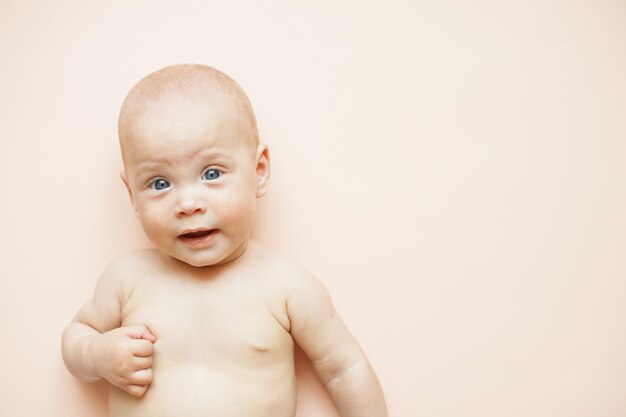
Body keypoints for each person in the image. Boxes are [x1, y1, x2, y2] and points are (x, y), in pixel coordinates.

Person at [61, 64, 388, 417]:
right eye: (159, 183)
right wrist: (96, 355)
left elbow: (344, 368)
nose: (187, 204)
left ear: (259, 171)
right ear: (132, 196)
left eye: (211, 174)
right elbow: (77, 334)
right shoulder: (126, 279)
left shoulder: (287, 286)